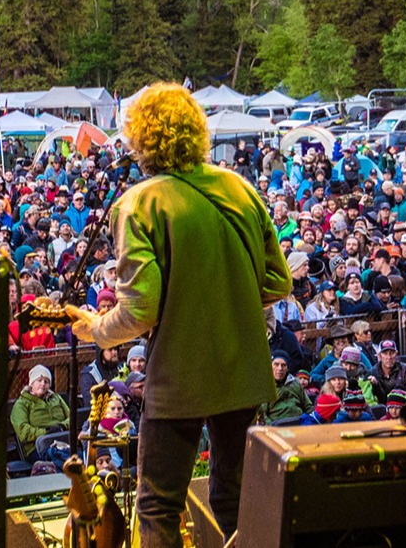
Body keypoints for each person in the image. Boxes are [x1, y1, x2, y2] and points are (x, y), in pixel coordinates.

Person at [59, 84, 293, 548]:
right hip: (243, 372)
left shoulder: (140, 203)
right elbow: (279, 283)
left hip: (179, 380)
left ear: (140, 139)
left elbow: (140, 307)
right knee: (235, 500)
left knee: (158, 505)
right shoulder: (239, 189)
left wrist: (96, 330)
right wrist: (226, 300)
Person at [10, 365, 70, 462]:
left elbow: (72, 418)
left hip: (62, 441)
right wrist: (46, 432)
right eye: (39, 380)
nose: (43, 384)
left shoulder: (56, 398)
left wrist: (62, 426)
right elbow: (23, 431)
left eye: (46, 381)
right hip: (37, 447)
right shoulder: (22, 404)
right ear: (32, 384)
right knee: (57, 456)